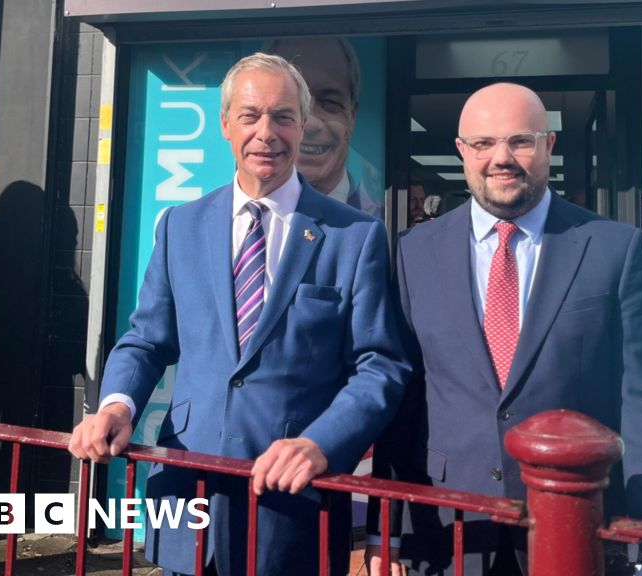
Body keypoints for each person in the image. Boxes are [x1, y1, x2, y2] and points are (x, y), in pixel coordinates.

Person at [68, 53, 408, 576]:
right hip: (189, 490)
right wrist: (117, 405)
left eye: (283, 116)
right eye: (250, 116)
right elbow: (147, 340)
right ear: (226, 124)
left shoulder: (354, 236)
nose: (266, 133)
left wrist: (321, 444)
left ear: (302, 123)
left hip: (294, 500)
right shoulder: (179, 226)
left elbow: (380, 366)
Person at [368, 83, 642, 576]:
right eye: (483, 143)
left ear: (549, 145)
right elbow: (403, 402)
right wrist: (383, 530)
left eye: (520, 140)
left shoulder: (612, 250)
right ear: (461, 152)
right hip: (450, 530)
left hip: (576, 528)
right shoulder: (415, 251)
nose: (502, 158)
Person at [266, 37, 383, 218]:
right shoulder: (242, 222)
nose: (310, 124)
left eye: (329, 102)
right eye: (290, 105)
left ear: (353, 116)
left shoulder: (376, 224)